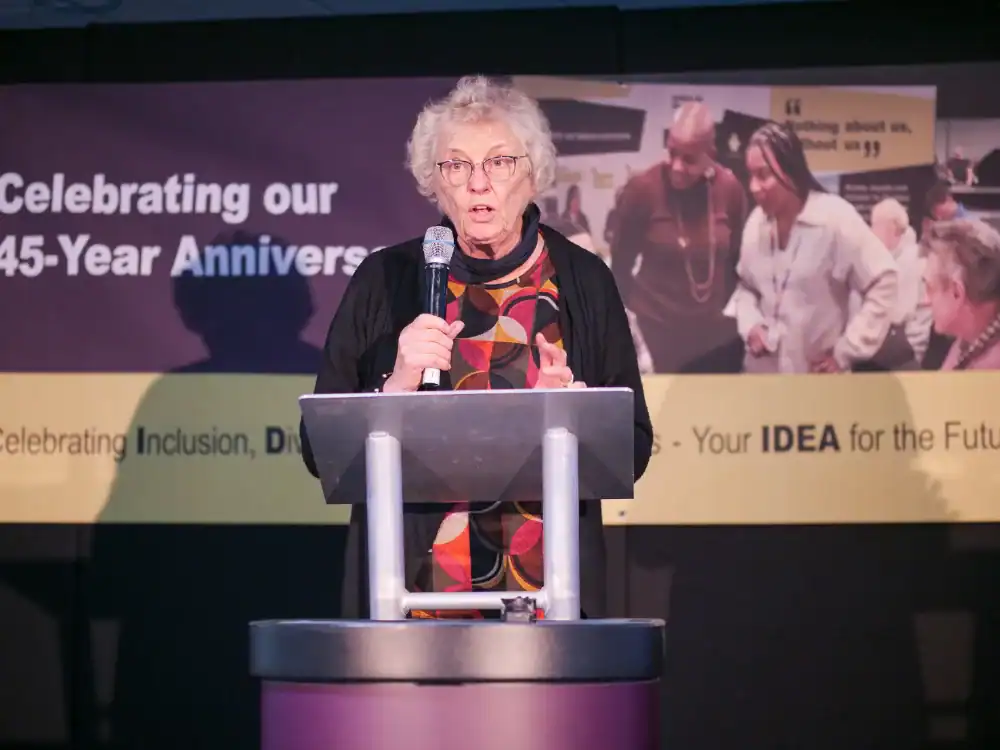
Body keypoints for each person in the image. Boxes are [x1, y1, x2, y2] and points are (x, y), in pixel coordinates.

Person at [300, 75, 653, 620]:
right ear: (434, 183)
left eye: (499, 162)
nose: (478, 183)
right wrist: (395, 384)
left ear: (532, 175)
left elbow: (631, 449)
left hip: (547, 597)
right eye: (456, 166)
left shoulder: (582, 279)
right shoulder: (384, 279)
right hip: (412, 593)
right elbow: (319, 452)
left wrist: (579, 412)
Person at [725, 122, 898, 374]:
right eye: (751, 175)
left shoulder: (834, 218)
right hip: (761, 384)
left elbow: (885, 279)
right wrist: (751, 324)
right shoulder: (756, 223)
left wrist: (846, 351)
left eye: (763, 175)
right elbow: (747, 287)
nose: (753, 187)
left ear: (791, 171)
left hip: (817, 387)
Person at [610, 101, 748, 374]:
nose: (676, 167)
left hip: (710, 339)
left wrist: (716, 310)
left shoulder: (729, 189)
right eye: (672, 153)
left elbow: (737, 263)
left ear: (710, 153)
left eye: (689, 159)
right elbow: (620, 267)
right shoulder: (642, 189)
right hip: (654, 332)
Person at [861, 198, 933, 367]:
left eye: (875, 225)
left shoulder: (910, 260)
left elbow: (899, 314)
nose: (871, 232)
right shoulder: (896, 256)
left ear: (892, 228)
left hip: (908, 351)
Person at [921, 218, 1000, 370]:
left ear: (957, 293)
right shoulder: (967, 341)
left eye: (930, 288)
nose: (925, 301)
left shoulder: (989, 372)